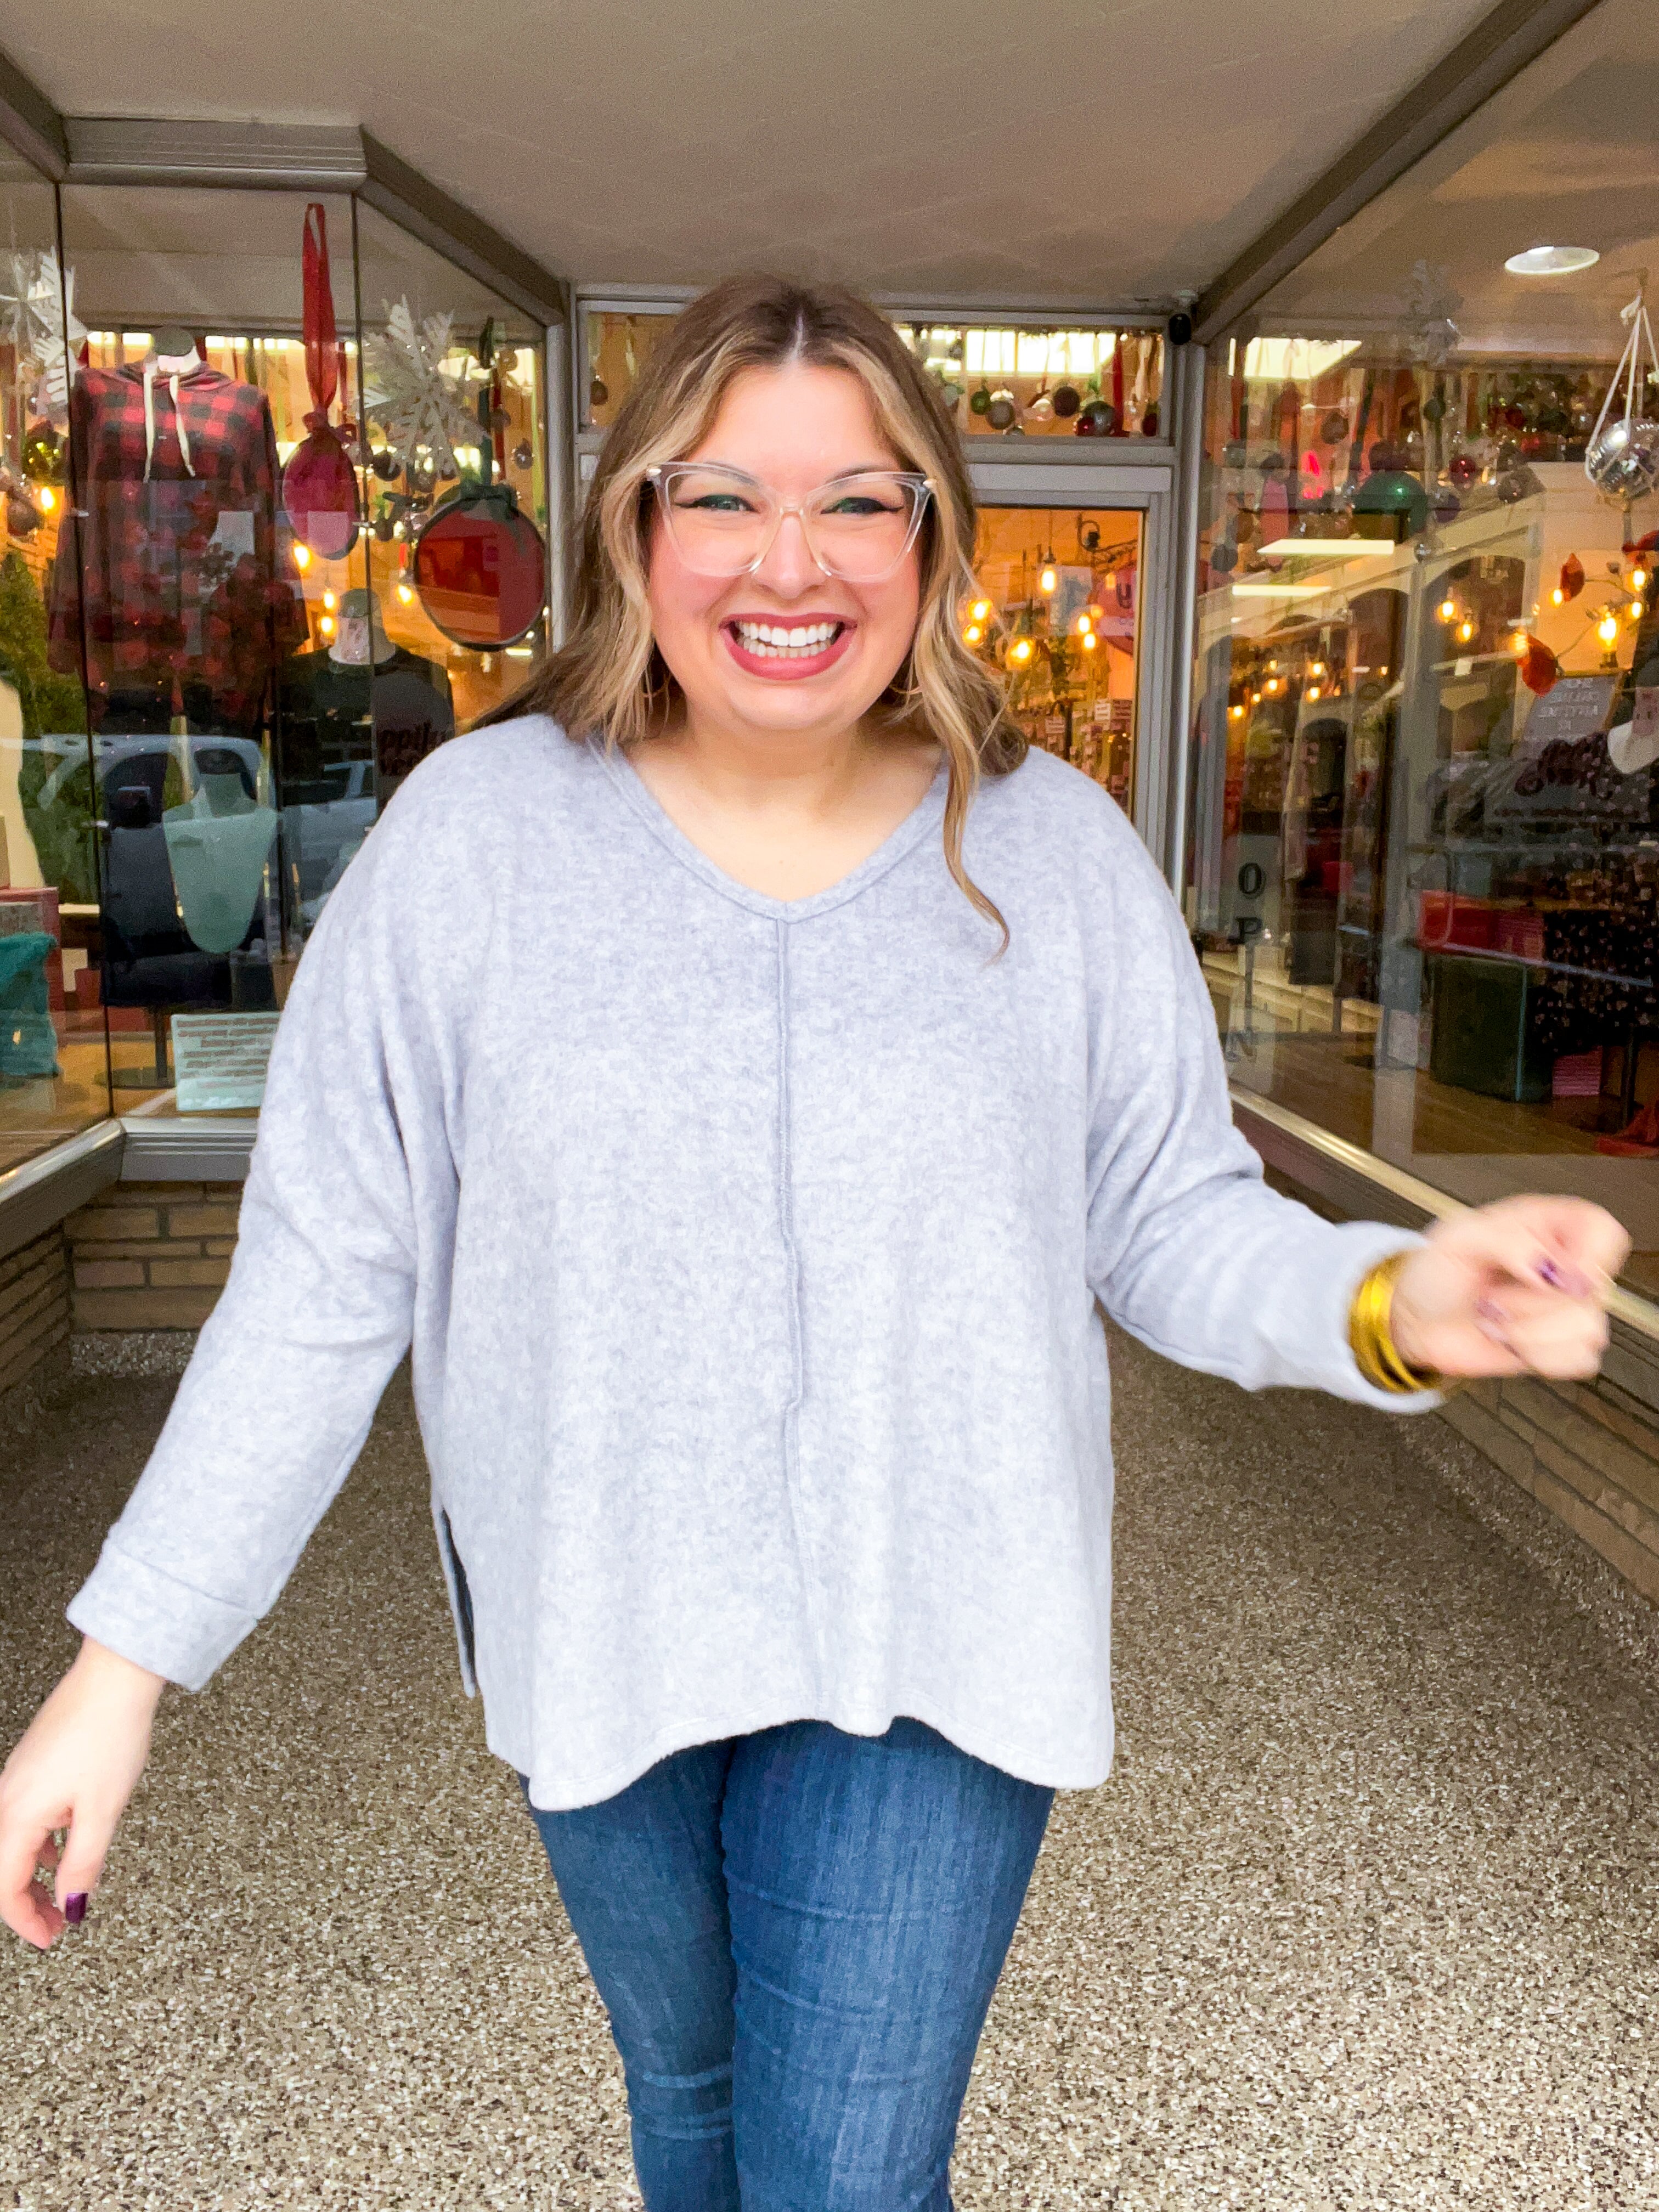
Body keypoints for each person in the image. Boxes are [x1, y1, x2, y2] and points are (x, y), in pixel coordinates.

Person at [0, 276, 1628, 2210]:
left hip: (941, 1632)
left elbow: (1173, 1220)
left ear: (932, 540)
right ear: (634, 531)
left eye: (862, 500)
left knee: (842, 2179)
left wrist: (1389, 1295)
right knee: (693, 2114)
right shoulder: (474, 847)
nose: (796, 563)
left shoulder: (1054, 855)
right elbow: (323, 1281)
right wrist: (125, 1667)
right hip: (597, 1617)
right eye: (724, 498)